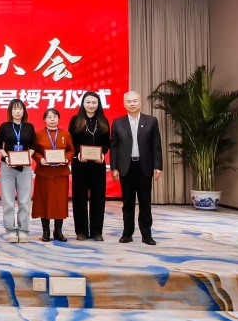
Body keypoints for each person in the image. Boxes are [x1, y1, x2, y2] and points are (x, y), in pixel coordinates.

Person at [110, 91, 163, 245]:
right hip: (126, 167)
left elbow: (156, 145)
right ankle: (127, 234)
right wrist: (114, 168)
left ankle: (147, 235)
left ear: (140, 103)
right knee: (128, 203)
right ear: (124, 104)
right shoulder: (118, 123)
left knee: (145, 203)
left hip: (144, 166)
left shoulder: (151, 121)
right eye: (129, 101)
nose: (132, 104)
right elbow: (114, 147)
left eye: (135, 101)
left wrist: (157, 166)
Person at [69, 92, 111, 242]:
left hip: (98, 165)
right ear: (83, 104)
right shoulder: (75, 120)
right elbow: (71, 141)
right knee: (79, 197)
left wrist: (103, 153)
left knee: (98, 198)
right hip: (80, 164)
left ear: (98, 104)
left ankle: (96, 231)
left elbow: (107, 142)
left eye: (94, 102)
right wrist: (78, 152)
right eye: (88, 102)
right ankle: (81, 231)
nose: (91, 105)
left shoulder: (103, 120)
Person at [0, 99, 36, 243]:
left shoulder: (29, 127)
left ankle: (23, 230)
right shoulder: (4, 126)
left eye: (20, 109)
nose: (18, 111)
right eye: (15, 109)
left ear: (24, 111)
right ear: (10, 111)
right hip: (7, 166)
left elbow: (33, 145)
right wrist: (6, 156)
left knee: (25, 201)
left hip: (25, 167)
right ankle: (11, 230)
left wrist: (27, 156)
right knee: (8, 201)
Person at [32, 108, 75, 242]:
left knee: (59, 202)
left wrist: (66, 158)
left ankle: (58, 231)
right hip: (44, 173)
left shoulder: (65, 134)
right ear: (44, 120)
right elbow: (33, 151)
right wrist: (40, 159)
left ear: (58, 119)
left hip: (60, 173)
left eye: (54, 117)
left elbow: (71, 150)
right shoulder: (38, 134)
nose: (52, 119)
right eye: (49, 117)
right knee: (43, 201)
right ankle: (46, 231)